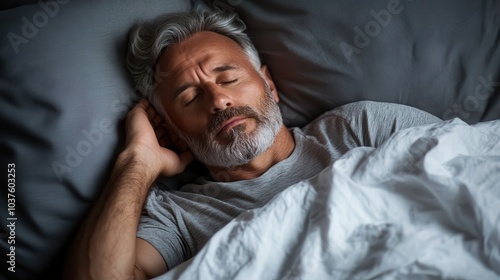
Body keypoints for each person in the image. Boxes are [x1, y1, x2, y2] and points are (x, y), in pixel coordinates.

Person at [64, 6, 441, 280]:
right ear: (173, 130)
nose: (219, 101)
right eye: (190, 98)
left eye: (227, 78)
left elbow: (474, 164)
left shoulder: (360, 128)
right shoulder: (177, 218)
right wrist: (137, 162)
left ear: (269, 85)